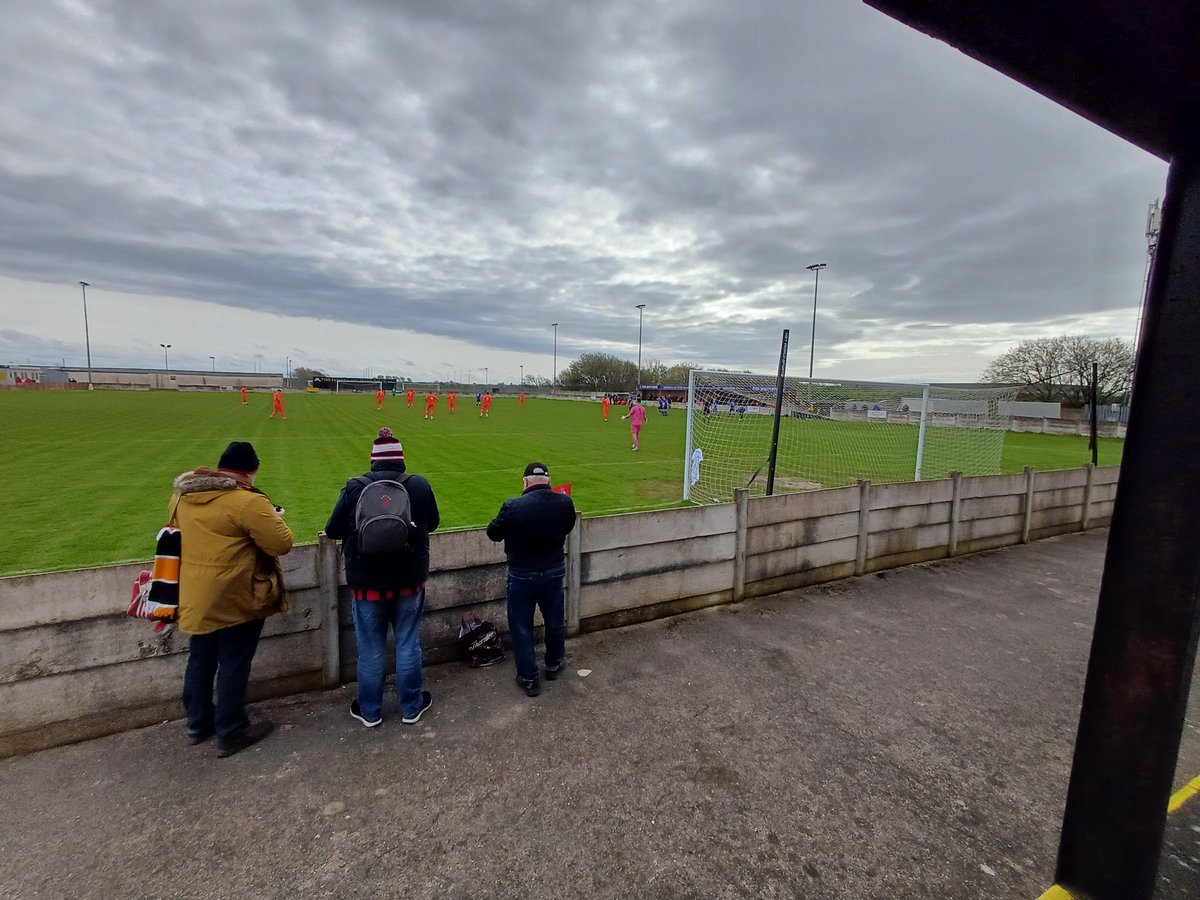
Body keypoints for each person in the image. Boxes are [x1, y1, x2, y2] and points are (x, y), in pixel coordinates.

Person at [173, 441, 293, 757]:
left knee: (201, 657)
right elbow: (281, 543)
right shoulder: (245, 501)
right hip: (236, 594)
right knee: (234, 661)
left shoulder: (182, 497)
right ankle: (231, 728)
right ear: (250, 471)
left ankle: (198, 723)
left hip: (195, 593)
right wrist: (276, 516)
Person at [325, 427, 440, 727]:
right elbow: (434, 524)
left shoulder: (354, 487)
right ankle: (411, 707)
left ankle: (370, 710)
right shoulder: (419, 485)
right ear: (401, 460)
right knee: (407, 642)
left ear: (373, 461)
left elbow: (334, 529)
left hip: (367, 583)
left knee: (371, 649)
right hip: (410, 581)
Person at [486, 462, 577, 697]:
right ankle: (554, 663)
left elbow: (493, 532)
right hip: (553, 569)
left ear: (525, 482)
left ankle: (528, 677)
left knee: (521, 626)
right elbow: (568, 526)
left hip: (522, 573)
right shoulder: (564, 502)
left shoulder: (513, 506)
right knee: (555, 620)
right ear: (548, 480)